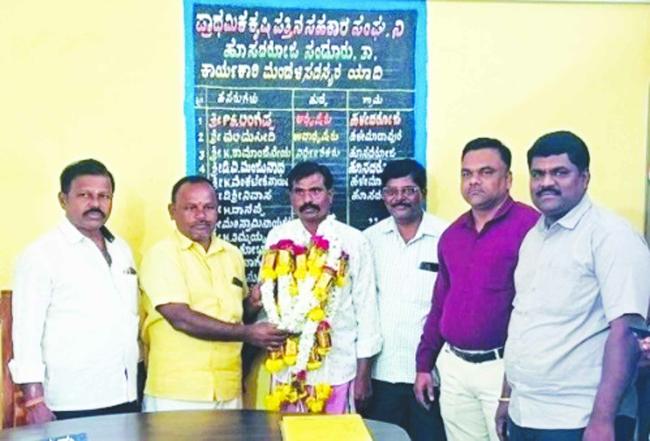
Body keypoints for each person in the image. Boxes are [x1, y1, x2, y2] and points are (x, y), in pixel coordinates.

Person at [497, 130, 650, 441]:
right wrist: (507, 397)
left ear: (585, 178)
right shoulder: (534, 237)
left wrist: (602, 421)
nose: (546, 182)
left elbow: (626, 332)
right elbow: (524, 320)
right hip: (525, 411)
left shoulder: (611, 236)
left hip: (579, 418)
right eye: (538, 174)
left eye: (560, 172)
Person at [415, 138, 539, 441]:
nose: (474, 181)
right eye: (466, 173)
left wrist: (510, 387)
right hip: (455, 367)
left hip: (504, 371)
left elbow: (539, 309)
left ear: (508, 179)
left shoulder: (532, 228)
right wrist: (424, 364)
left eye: (486, 172)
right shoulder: (452, 235)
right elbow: (440, 303)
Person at [139, 176, 287, 412]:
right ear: (172, 211)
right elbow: (181, 318)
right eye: (191, 208)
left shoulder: (232, 254)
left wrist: (252, 303)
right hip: (178, 393)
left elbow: (234, 316)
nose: (201, 216)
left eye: (208, 207)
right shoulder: (162, 254)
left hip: (228, 389)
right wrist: (248, 334)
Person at [9, 159, 140, 423]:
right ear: (63, 199)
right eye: (84, 195)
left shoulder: (121, 249)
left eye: (104, 196)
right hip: (70, 400)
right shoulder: (41, 254)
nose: (95, 203)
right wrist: (33, 400)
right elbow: (26, 333)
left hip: (124, 394)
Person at [263, 161, 382, 413]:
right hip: (287, 369)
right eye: (299, 192)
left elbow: (366, 310)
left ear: (331, 195)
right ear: (290, 197)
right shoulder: (277, 237)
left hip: (337, 368)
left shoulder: (353, 241)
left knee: (335, 433)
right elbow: (270, 299)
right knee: (287, 432)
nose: (308, 200)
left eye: (315, 191)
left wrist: (364, 375)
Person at [363, 159, 448, 441]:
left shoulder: (447, 237)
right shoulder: (369, 241)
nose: (399, 198)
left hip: (431, 374)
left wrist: (429, 368)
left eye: (408, 190)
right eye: (391, 191)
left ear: (423, 192)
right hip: (381, 374)